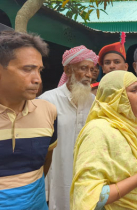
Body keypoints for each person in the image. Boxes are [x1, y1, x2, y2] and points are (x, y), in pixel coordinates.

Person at [70, 71, 137, 210]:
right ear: (115, 97)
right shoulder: (97, 131)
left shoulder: (134, 127)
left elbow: (133, 167)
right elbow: (90, 197)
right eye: (134, 90)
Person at [0, 31, 57, 209]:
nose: (37, 79)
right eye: (27, 69)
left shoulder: (48, 111)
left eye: (39, 70)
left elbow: (45, 160)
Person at [39, 45, 97, 210]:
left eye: (91, 69)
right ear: (68, 69)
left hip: (87, 178)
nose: (88, 74)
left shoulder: (94, 103)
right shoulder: (47, 101)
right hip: (56, 179)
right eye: (83, 68)